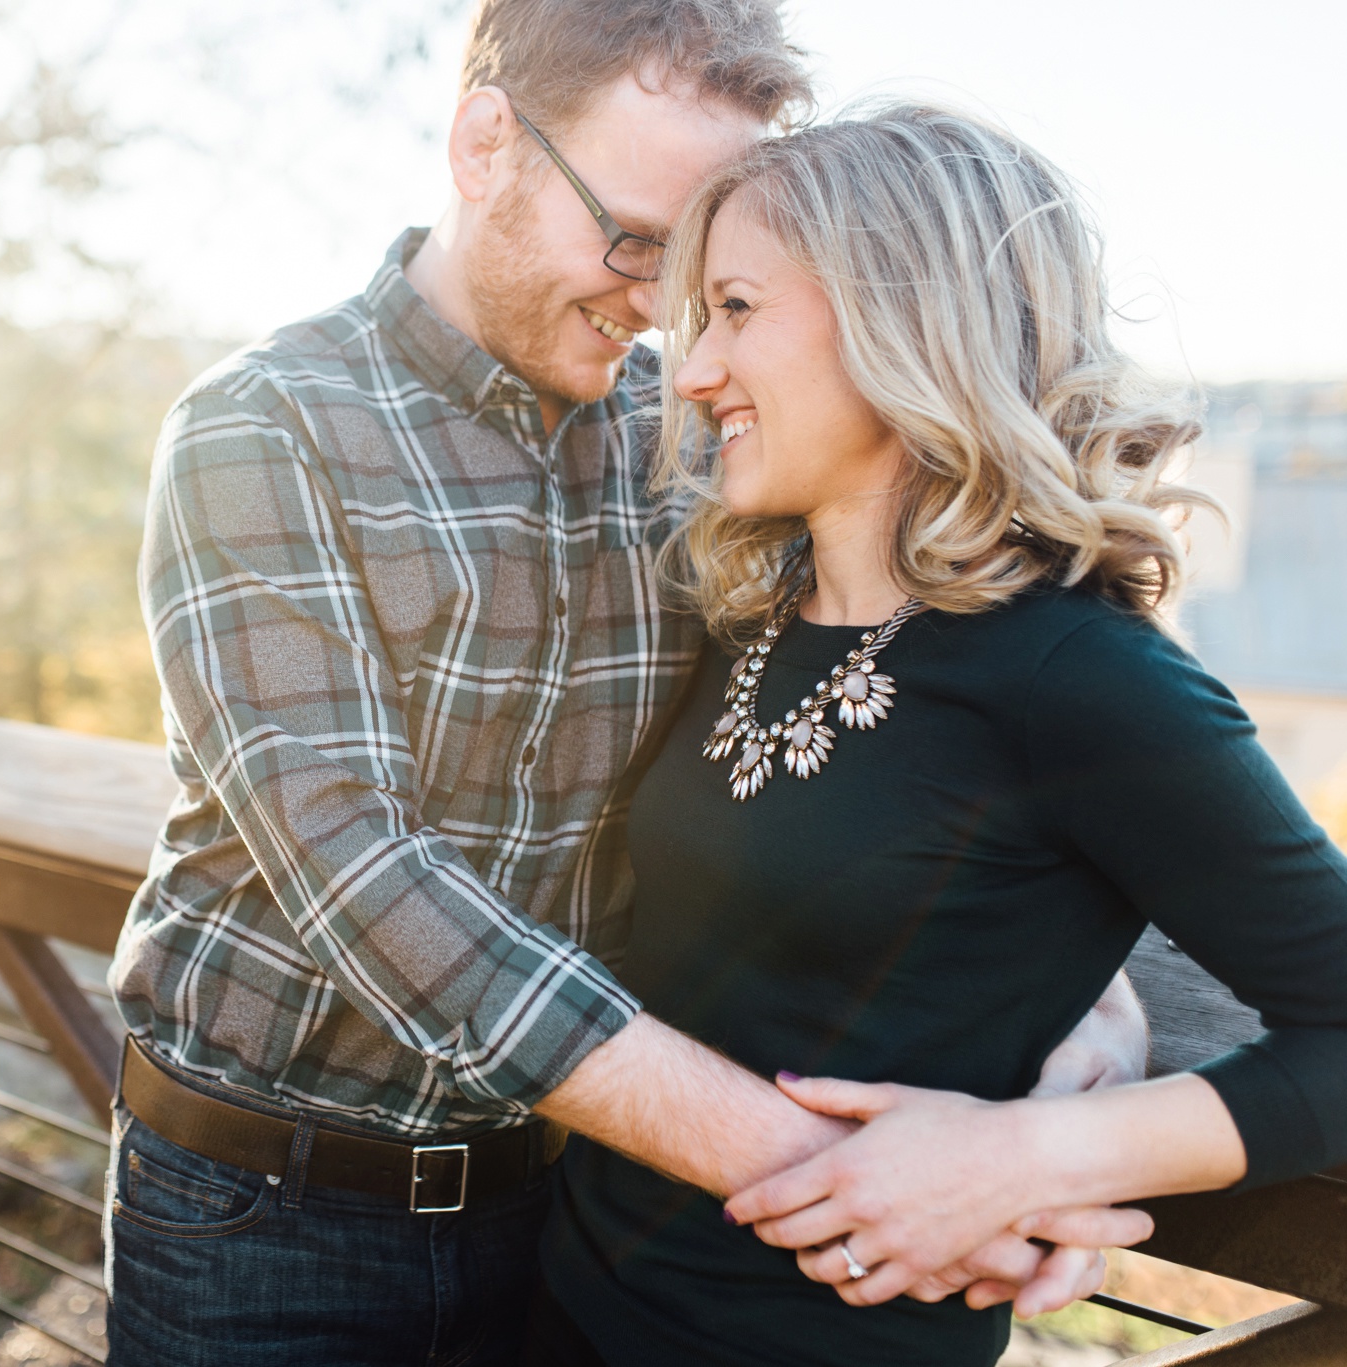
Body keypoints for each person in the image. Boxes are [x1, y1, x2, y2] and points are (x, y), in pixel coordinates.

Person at [105, 5, 1147, 1362]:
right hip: (262, 1218)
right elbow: (368, 875)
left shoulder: (705, 440)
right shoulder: (262, 431)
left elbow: (928, 741)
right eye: (638, 239)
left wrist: (1076, 1041)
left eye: (707, 266)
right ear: (487, 145)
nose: (661, 301)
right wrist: (845, 1177)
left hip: (570, 1215)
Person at [534, 103, 1347, 1367]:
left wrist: (1027, 1152)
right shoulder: (731, 609)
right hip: (558, 1308)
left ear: (897, 319)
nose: (690, 373)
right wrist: (1101, 1009)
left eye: (736, 309)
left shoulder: (1088, 678)